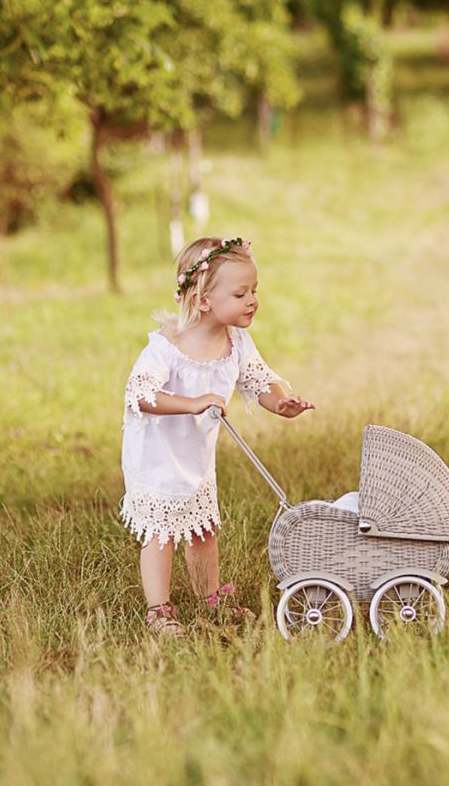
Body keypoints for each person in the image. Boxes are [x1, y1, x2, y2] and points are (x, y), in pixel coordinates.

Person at [120, 236, 315, 636]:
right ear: (203, 300)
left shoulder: (236, 342)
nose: (252, 300)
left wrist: (281, 403)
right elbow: (140, 395)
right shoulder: (166, 347)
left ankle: (209, 597)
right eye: (240, 293)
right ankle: (159, 609)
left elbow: (261, 381)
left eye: (254, 291)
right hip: (157, 456)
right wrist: (192, 403)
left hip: (195, 457)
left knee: (203, 527)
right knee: (162, 532)